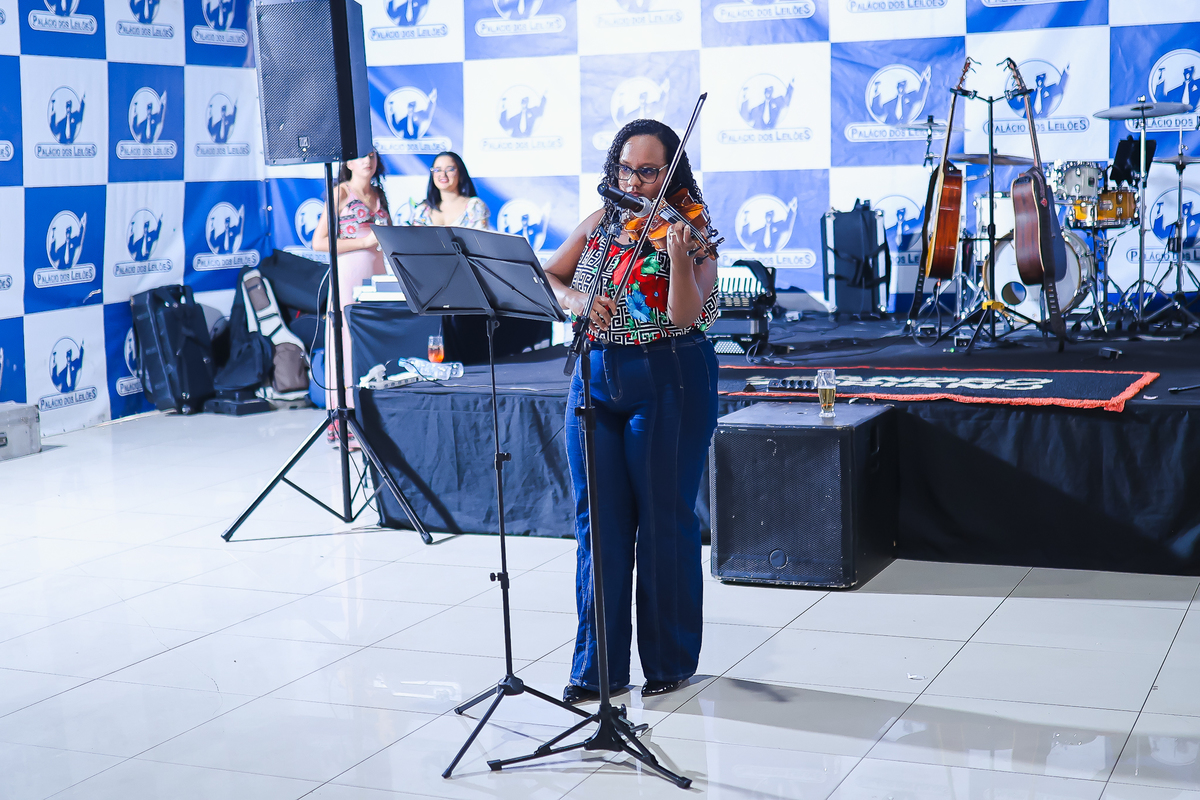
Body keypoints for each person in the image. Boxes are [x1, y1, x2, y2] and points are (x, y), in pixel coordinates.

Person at [541, 119, 720, 704]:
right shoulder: (601, 222)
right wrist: (575, 300)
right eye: (625, 169)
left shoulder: (690, 229)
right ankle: (598, 667)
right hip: (594, 374)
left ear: (671, 173)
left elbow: (687, 316)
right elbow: (549, 276)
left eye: (647, 172)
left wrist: (680, 261)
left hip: (668, 375)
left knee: (664, 520)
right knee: (597, 524)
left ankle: (669, 661)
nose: (634, 182)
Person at [311, 150, 391, 445]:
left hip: (378, 277)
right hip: (348, 277)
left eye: (371, 155)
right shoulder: (341, 192)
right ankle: (344, 419)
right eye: (359, 157)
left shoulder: (380, 194)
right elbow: (319, 242)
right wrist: (364, 241)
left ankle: (374, 416)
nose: (367, 162)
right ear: (347, 162)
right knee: (345, 341)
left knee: (374, 340)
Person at [408, 152, 489, 229]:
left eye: (450, 169)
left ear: (460, 174)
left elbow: (480, 238)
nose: (443, 174)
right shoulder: (422, 210)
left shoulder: (474, 206)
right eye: (437, 170)